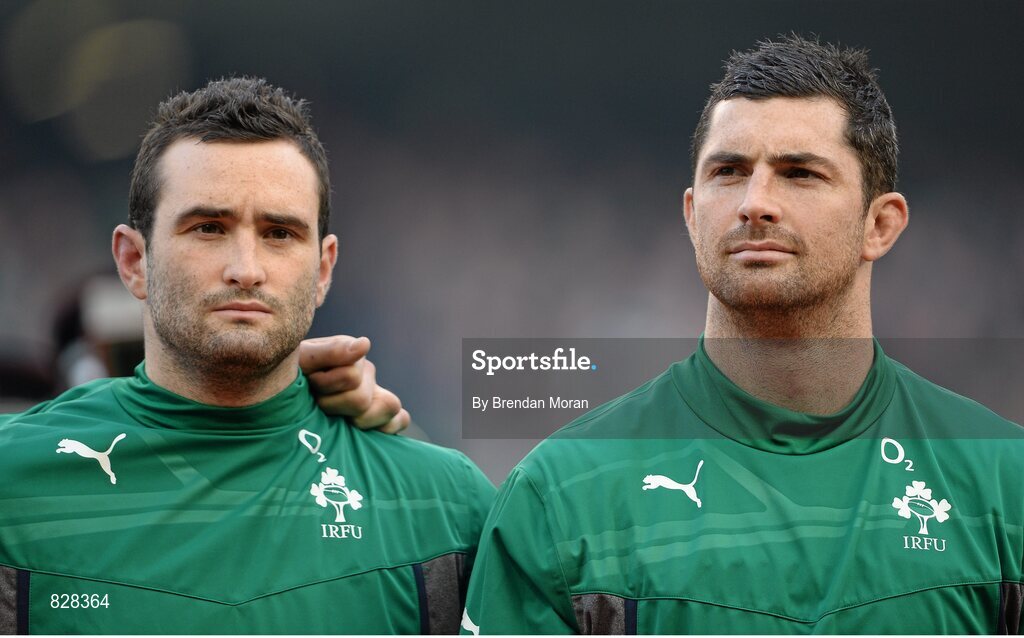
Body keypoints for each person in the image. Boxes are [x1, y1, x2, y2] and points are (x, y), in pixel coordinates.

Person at [460, 36, 1024, 634]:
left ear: (880, 224)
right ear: (690, 213)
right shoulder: (562, 494)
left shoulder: (1002, 483)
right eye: (728, 172)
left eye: (799, 173)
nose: (755, 203)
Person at [0, 77, 494, 634]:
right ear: (134, 261)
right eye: (208, 227)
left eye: (279, 233)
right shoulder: (12, 484)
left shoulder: (447, 508)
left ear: (324, 268)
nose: (246, 267)